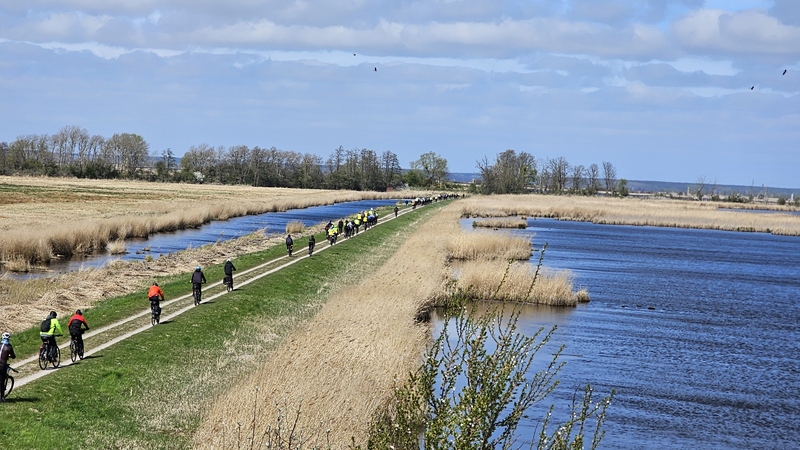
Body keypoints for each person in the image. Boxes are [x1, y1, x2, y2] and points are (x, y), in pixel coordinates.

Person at [0, 332, 15, 402]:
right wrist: (9, 355)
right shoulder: (9, 347)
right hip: (2, 365)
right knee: (2, 381)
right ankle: (2, 397)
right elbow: (13, 356)